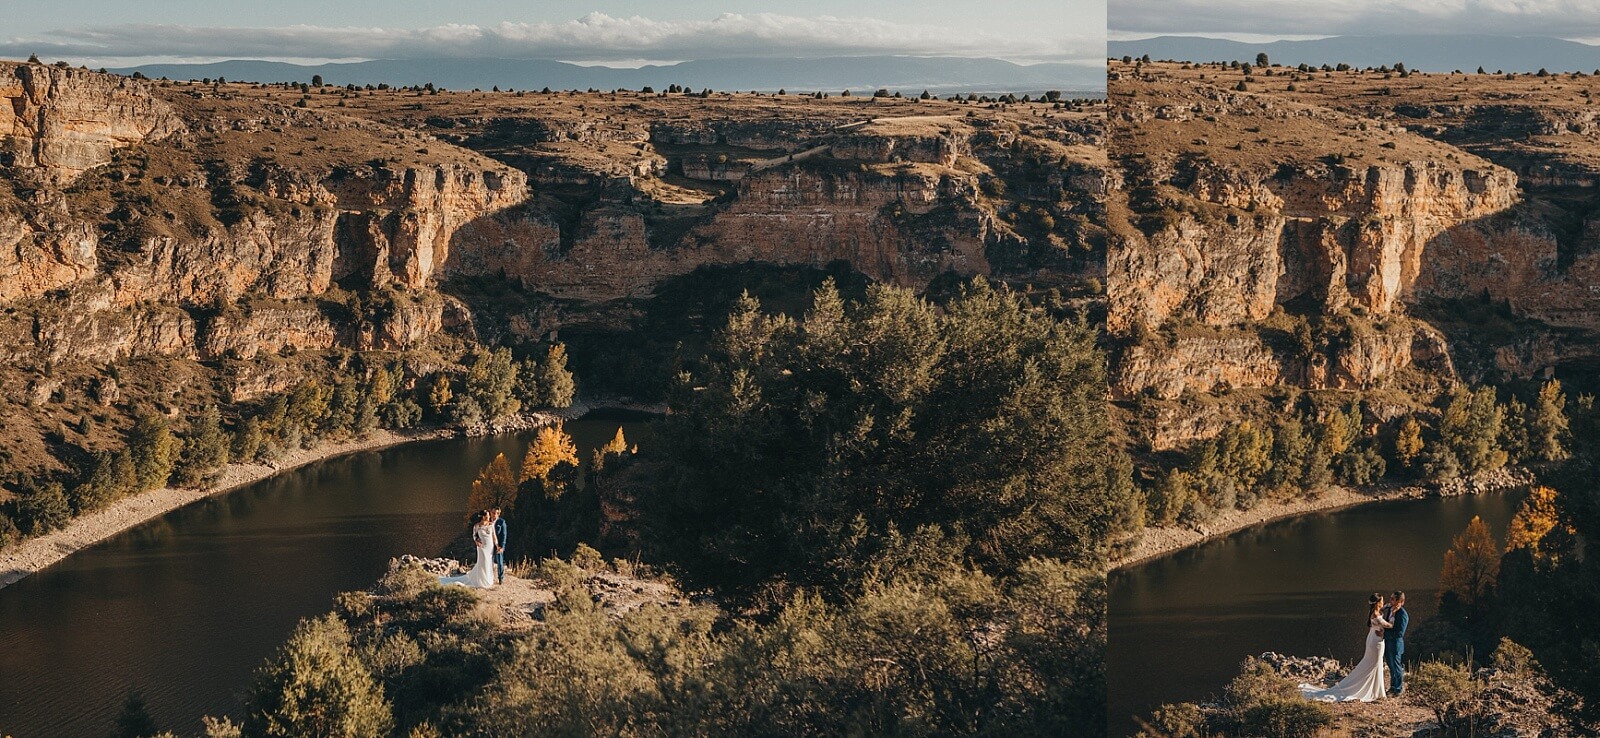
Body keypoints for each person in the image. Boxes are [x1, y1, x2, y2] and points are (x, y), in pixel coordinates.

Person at [1300, 593, 1393, 702]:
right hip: (1375, 642)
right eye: (1381, 601)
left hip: (1375, 638)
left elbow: (1385, 608)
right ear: (1377, 603)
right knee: (1373, 663)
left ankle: (1376, 690)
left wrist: (1390, 606)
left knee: (1375, 664)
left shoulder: (1375, 612)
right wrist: (1393, 615)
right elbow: (1389, 625)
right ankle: (1371, 690)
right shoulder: (1376, 615)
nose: (1383, 602)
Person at [439, 510, 497, 589]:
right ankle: (481, 580)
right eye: (487, 515)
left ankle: (488, 579)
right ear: (483, 517)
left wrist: (497, 545)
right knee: (483, 561)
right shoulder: (477, 526)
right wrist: (476, 541)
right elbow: (474, 535)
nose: (489, 517)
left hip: (490, 546)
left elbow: (494, 536)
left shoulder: (491, 525)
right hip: (481, 546)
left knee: (489, 561)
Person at [1385, 590, 1409, 697]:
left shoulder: (1403, 614)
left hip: (1395, 644)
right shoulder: (1390, 610)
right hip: (1388, 643)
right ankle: (1393, 687)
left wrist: (1386, 634)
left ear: (1400, 601)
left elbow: (1400, 633)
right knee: (1391, 666)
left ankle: (1398, 689)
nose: (1390, 600)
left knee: (1396, 666)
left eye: (1393, 599)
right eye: (1390, 598)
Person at [490, 507, 507, 584]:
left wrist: (502, 546)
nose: (494, 515)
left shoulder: (501, 522)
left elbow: (504, 535)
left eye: (496, 513)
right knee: (489, 561)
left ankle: (501, 578)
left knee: (499, 562)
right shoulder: (487, 521)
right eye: (493, 513)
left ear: (498, 514)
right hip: (489, 544)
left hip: (498, 545)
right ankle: (489, 577)